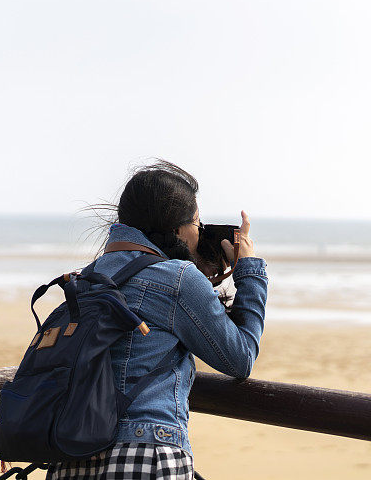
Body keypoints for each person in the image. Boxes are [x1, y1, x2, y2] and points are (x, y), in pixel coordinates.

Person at [45, 160, 268, 480]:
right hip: (145, 455)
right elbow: (241, 357)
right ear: (177, 230)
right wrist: (249, 269)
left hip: (71, 457)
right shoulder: (179, 280)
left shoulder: (88, 278)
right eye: (197, 223)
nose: (199, 232)